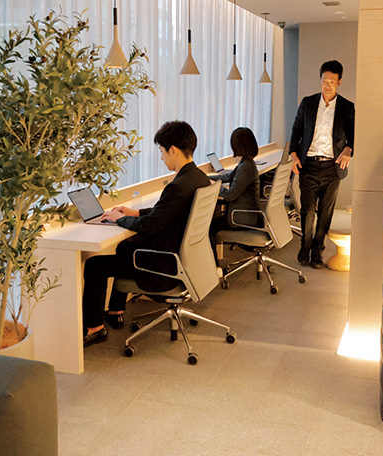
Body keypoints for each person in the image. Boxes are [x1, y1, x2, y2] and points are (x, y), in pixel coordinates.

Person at [81, 120, 210, 346]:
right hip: (182, 259)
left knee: (94, 265)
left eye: (162, 152)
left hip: (162, 267)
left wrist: (119, 218)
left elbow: (149, 225)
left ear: (173, 150)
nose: (161, 158)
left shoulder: (178, 186)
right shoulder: (199, 178)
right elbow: (168, 211)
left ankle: (95, 328)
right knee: (124, 247)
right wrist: (135, 212)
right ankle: (115, 311)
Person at [289, 60, 355, 269]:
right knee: (308, 211)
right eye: (324, 80)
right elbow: (296, 130)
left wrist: (349, 149)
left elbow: (353, 136)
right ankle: (305, 247)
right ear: (320, 80)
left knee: (326, 213)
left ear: (340, 82)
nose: (327, 85)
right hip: (308, 164)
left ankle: (318, 252)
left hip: (332, 167)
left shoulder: (347, 107)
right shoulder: (308, 103)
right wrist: (293, 155)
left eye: (332, 81)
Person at [209, 127, 261, 258]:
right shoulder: (246, 163)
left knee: (208, 227)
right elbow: (227, 177)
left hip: (242, 218)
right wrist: (206, 178)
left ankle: (214, 265)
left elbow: (229, 196)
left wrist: (215, 186)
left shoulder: (245, 167)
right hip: (247, 214)